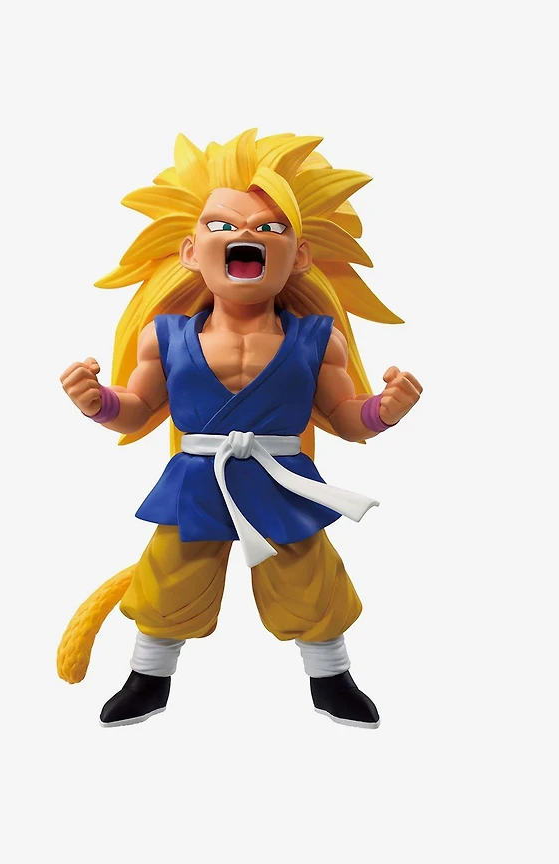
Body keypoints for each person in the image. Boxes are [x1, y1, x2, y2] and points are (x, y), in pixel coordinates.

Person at [57, 129, 422, 728]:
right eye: (222, 225)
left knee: (309, 577)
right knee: (171, 576)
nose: (244, 235)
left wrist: (385, 409)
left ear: (299, 256)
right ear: (190, 251)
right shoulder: (164, 337)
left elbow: (344, 418)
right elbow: (139, 408)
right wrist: (97, 402)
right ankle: (148, 675)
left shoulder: (318, 340)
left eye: (270, 227)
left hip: (282, 477)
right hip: (197, 477)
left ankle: (330, 676)